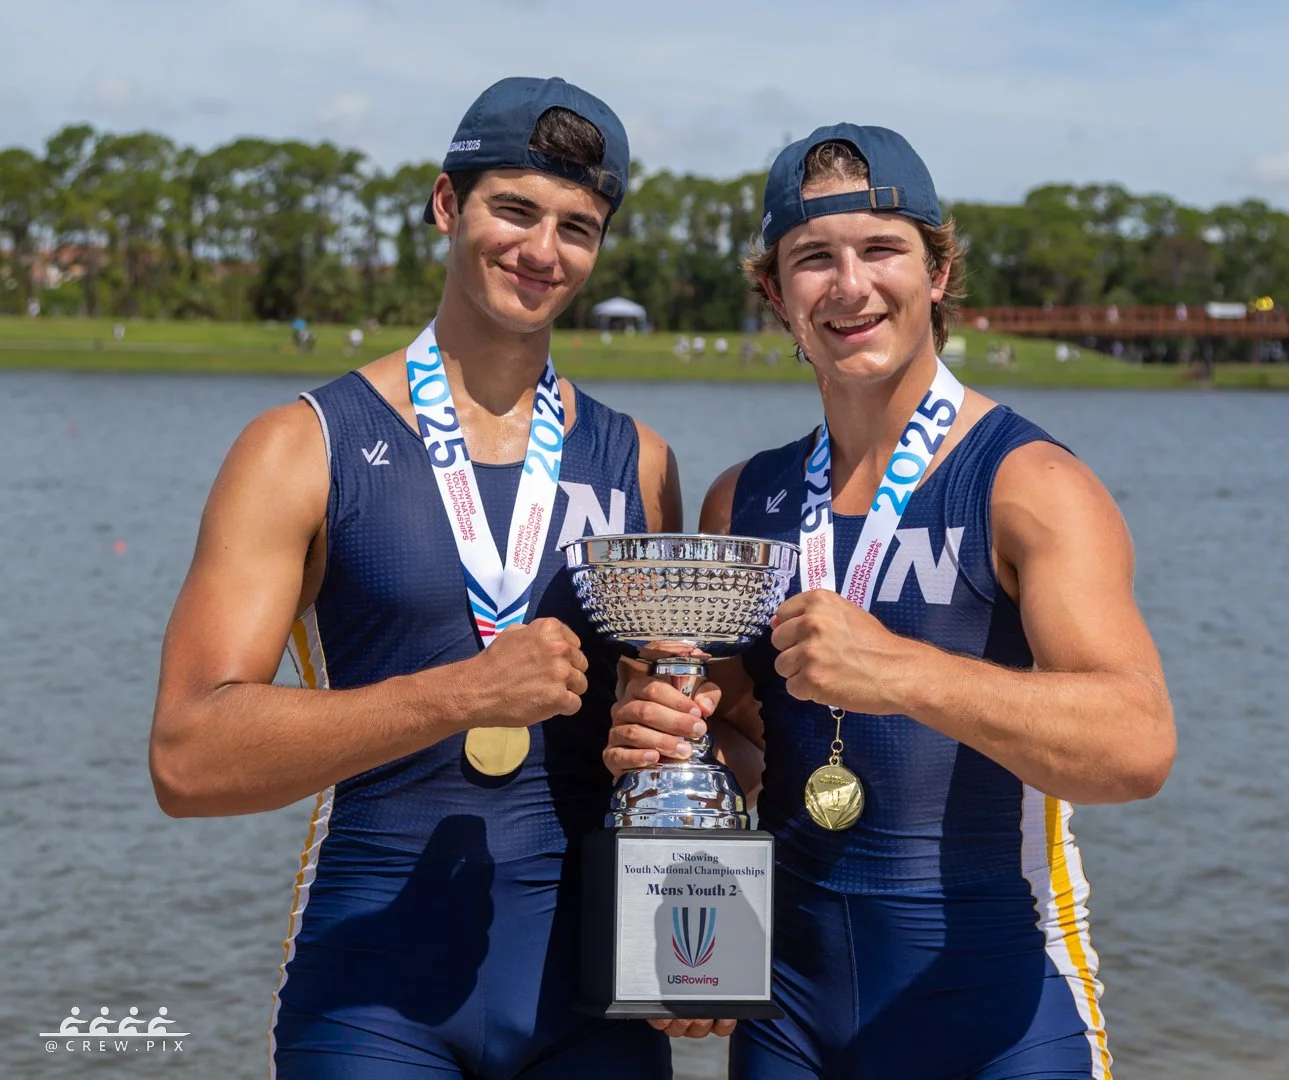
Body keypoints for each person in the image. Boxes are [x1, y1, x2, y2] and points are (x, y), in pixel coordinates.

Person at [607, 125, 1176, 1078]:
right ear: (775, 294)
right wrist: (671, 744)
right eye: (813, 260)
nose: (850, 285)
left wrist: (905, 673)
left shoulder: (1030, 482)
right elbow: (748, 739)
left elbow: (1138, 745)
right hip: (788, 1013)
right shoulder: (741, 500)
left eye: (882, 249)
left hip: (999, 1008)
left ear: (938, 271)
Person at [149, 77, 681, 1078]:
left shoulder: (640, 460)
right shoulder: (301, 447)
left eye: (578, 226)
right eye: (514, 209)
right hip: (372, 1000)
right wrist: (464, 694)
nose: (542, 249)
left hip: (597, 999)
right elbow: (187, 756)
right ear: (447, 206)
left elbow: (670, 732)